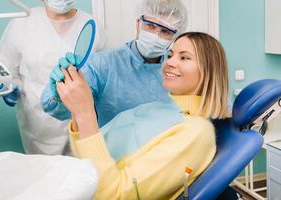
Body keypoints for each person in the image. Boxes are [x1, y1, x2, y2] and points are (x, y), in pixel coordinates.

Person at [54, 32, 230, 199]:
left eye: (184, 57)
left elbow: (114, 195)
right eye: (170, 55)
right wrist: (77, 110)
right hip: (77, 182)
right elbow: (86, 152)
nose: (169, 63)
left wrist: (86, 113)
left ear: (209, 71)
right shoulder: (156, 108)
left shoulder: (197, 133)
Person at [41, 0, 188, 127]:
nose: (156, 36)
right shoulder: (103, 65)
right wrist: (59, 95)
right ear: (138, 24)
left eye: (165, 31)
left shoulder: (179, 71)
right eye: (150, 26)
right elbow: (63, 110)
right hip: (111, 155)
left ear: (175, 36)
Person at [0, 0, 104, 154]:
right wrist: (12, 87)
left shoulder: (92, 25)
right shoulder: (22, 24)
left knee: (81, 173)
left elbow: (104, 73)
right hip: (37, 125)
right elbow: (6, 69)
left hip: (80, 122)